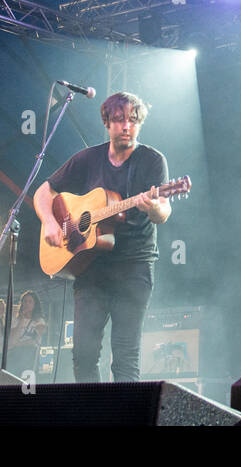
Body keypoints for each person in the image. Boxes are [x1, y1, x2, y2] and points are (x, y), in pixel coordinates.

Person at [33, 91, 170, 382]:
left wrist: (155, 207)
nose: (126, 126)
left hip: (134, 266)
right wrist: (49, 222)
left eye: (133, 120)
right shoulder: (88, 158)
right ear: (107, 123)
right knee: (83, 354)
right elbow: (44, 191)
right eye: (119, 120)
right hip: (91, 267)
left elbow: (163, 213)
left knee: (124, 356)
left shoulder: (152, 161)